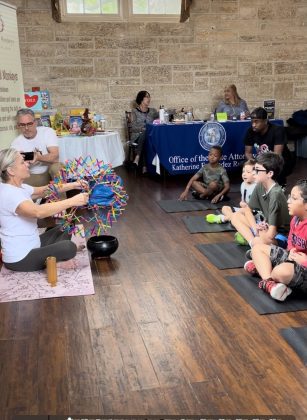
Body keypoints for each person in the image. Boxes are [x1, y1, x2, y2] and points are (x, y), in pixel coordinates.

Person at [0, 148, 89, 272]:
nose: (27, 164)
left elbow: (46, 190)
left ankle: (52, 259)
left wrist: (74, 185)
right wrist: (73, 201)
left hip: (34, 245)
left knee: (66, 226)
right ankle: (53, 262)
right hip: (20, 259)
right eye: (22, 162)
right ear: (11, 171)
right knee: (69, 247)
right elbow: (38, 212)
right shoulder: (9, 194)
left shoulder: (19, 187)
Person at [244, 179, 307, 301]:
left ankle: (263, 269)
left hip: (303, 267)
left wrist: (304, 260)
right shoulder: (295, 219)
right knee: (257, 248)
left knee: (280, 272)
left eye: (293, 198)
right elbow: (290, 241)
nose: (288, 201)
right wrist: (291, 250)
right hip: (293, 259)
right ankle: (269, 283)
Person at [230, 152, 290, 247]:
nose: (254, 173)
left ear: (269, 173)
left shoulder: (275, 194)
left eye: (257, 170)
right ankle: (253, 243)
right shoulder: (260, 185)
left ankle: (256, 243)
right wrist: (256, 229)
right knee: (235, 216)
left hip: (280, 235)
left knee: (264, 239)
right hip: (267, 228)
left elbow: (271, 235)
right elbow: (247, 209)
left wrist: (261, 232)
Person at [11, 108, 62, 187]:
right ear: (18, 126)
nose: (26, 128)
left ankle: (62, 198)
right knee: (16, 183)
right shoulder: (16, 143)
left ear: (35, 122)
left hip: (50, 171)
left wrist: (37, 157)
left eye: (29, 124)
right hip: (32, 175)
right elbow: (16, 167)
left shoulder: (47, 132)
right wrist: (21, 161)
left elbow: (55, 157)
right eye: (22, 125)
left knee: (57, 167)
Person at [244, 107, 294, 185]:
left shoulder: (278, 130)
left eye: (257, 122)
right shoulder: (250, 131)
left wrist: (261, 168)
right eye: (252, 122)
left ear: (265, 121)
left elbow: (277, 156)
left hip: (281, 162)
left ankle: (280, 184)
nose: (253, 125)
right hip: (263, 161)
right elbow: (248, 153)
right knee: (247, 166)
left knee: (274, 181)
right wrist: (253, 164)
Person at [206, 159, 256, 224]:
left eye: (248, 172)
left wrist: (247, 207)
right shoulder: (243, 184)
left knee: (244, 211)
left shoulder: (257, 187)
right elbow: (243, 200)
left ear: (255, 174)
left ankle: (223, 218)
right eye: (243, 171)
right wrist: (242, 203)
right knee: (225, 208)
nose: (244, 174)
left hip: (253, 213)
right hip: (244, 210)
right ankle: (233, 218)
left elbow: (257, 207)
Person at [130, 91, 159, 174]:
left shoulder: (153, 111)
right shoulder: (134, 111)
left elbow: (162, 116)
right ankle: (144, 166)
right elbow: (133, 128)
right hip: (136, 137)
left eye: (149, 97)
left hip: (149, 137)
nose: (149, 99)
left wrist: (174, 112)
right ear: (141, 98)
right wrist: (142, 128)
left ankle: (137, 159)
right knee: (145, 131)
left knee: (146, 133)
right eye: (146, 97)